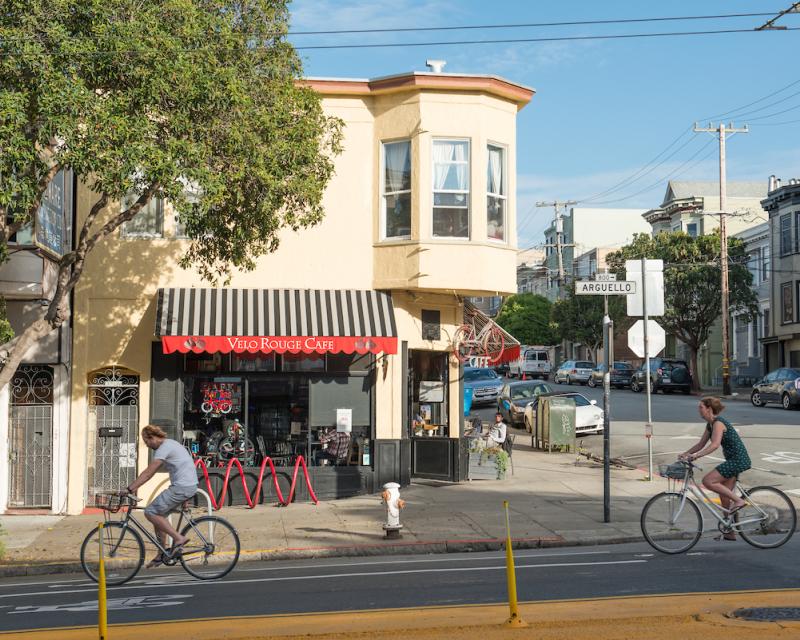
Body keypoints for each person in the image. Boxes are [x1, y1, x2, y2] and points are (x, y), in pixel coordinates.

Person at [124, 425, 198, 567]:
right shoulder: (173, 443)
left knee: (150, 512)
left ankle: (178, 538)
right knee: (158, 516)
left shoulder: (164, 447)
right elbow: (186, 466)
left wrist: (130, 488)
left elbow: (149, 473)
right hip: (187, 486)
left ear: (151, 437)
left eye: (147, 442)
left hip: (181, 487)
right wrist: (186, 497)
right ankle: (161, 554)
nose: (148, 446)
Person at [679, 396, 751, 541]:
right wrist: (686, 453)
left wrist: (696, 456)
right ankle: (729, 531)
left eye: (701, 407)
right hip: (732, 460)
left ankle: (739, 501)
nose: (699, 410)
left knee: (708, 481)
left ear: (709, 409)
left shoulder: (718, 423)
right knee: (724, 497)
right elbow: (701, 444)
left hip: (737, 460)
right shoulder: (710, 425)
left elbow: (715, 444)